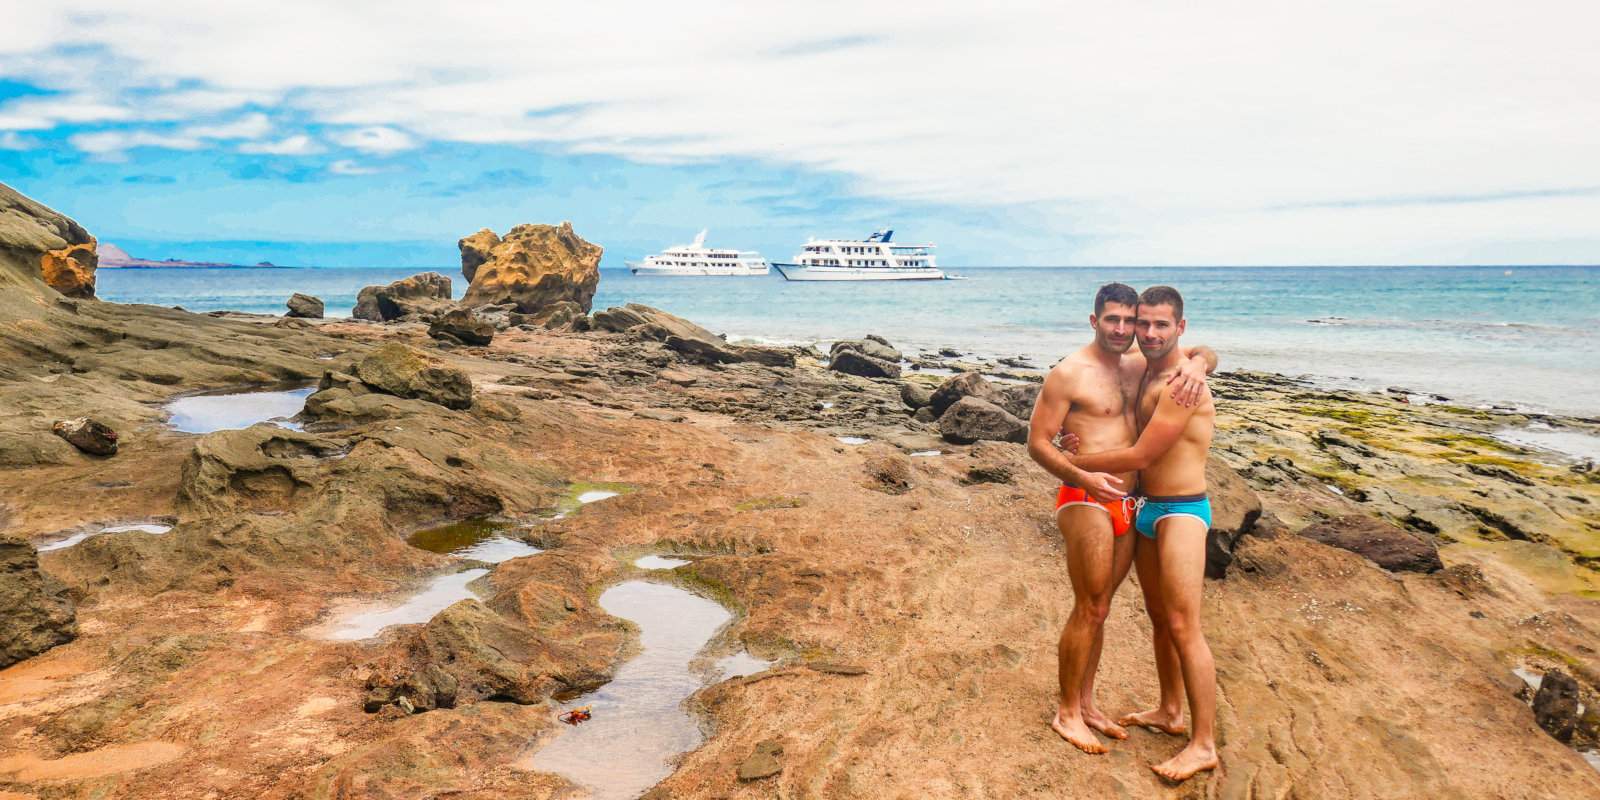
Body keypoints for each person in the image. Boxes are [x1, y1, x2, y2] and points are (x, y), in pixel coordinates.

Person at [1026, 283, 1216, 756]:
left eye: (1130, 321)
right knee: (1089, 605)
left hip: (1135, 500)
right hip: (1085, 495)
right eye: (1114, 320)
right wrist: (1079, 473)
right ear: (1095, 321)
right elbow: (1037, 443)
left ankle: (1088, 704)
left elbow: (1201, 351)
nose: (1125, 329)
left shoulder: (1141, 365)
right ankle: (1067, 711)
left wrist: (1198, 363)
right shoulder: (1068, 374)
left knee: (1103, 608)